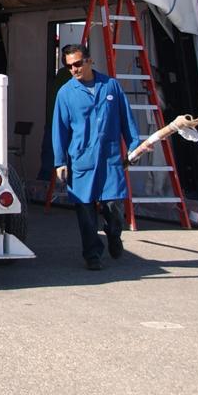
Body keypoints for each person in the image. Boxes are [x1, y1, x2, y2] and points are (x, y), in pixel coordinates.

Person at [52, 43, 142, 270]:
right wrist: (60, 161)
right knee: (85, 212)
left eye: (78, 63)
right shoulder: (65, 94)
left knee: (113, 208)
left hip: (110, 159)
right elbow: (59, 130)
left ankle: (113, 235)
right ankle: (92, 255)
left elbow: (126, 119)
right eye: (70, 66)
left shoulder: (111, 87)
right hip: (82, 160)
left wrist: (134, 147)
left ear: (90, 61)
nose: (74, 69)